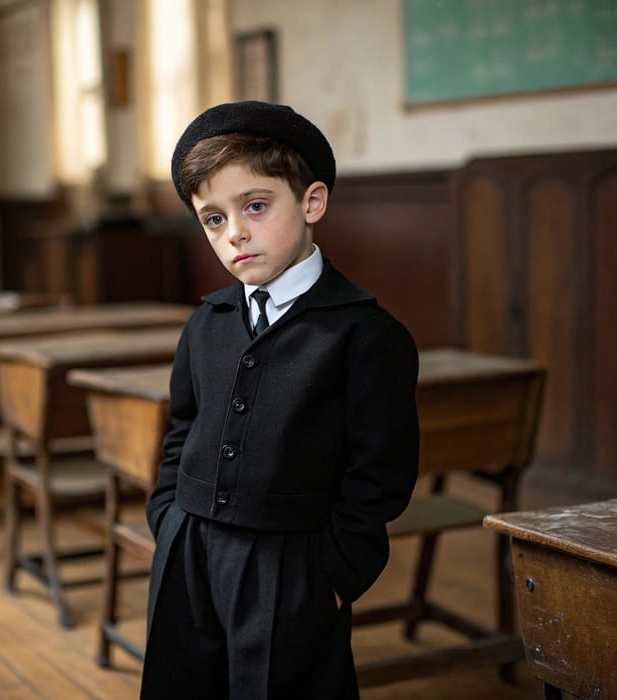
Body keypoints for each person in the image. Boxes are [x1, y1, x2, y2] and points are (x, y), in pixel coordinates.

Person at [140, 100, 419, 700]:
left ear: (312, 202)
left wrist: (335, 576)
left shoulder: (367, 335)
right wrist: (167, 518)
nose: (235, 232)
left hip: (291, 566)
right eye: (213, 219)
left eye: (256, 206)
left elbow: (380, 474)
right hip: (187, 552)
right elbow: (180, 430)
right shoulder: (206, 324)